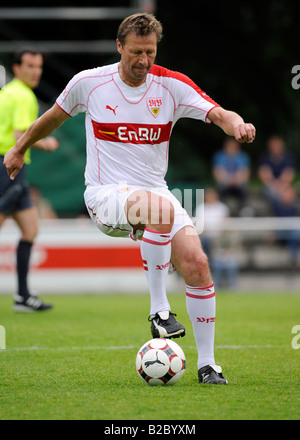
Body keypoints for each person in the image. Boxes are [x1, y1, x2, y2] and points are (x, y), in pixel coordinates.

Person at [3, 13, 256, 384]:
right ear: (119, 46)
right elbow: (52, 118)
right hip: (106, 195)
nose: (143, 60)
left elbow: (217, 112)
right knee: (160, 211)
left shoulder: (171, 85)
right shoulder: (89, 83)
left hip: (155, 192)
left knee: (198, 264)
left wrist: (235, 124)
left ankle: (207, 365)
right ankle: (159, 311)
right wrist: (19, 149)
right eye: (136, 52)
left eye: (150, 52)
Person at [0, 49, 59, 312]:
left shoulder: (8, 93)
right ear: (16, 68)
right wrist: (47, 143)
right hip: (7, 167)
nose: (35, 72)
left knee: (30, 230)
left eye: (38, 67)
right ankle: (23, 295)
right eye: (29, 66)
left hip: (13, 169)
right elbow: (19, 136)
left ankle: (23, 295)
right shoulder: (23, 95)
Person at [212, 137, 251, 215]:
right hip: (224, 183)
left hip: (239, 183)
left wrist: (236, 179)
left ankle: (244, 211)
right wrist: (228, 179)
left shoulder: (242, 156)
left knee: (244, 188)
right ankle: (222, 212)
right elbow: (217, 172)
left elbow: (245, 172)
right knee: (220, 189)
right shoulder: (219, 156)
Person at [258, 135, 296, 204]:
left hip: (284, 185)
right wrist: (273, 184)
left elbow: (289, 173)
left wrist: (281, 185)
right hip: (269, 185)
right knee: (272, 193)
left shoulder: (288, 158)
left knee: (288, 194)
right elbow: (263, 173)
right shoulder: (265, 158)